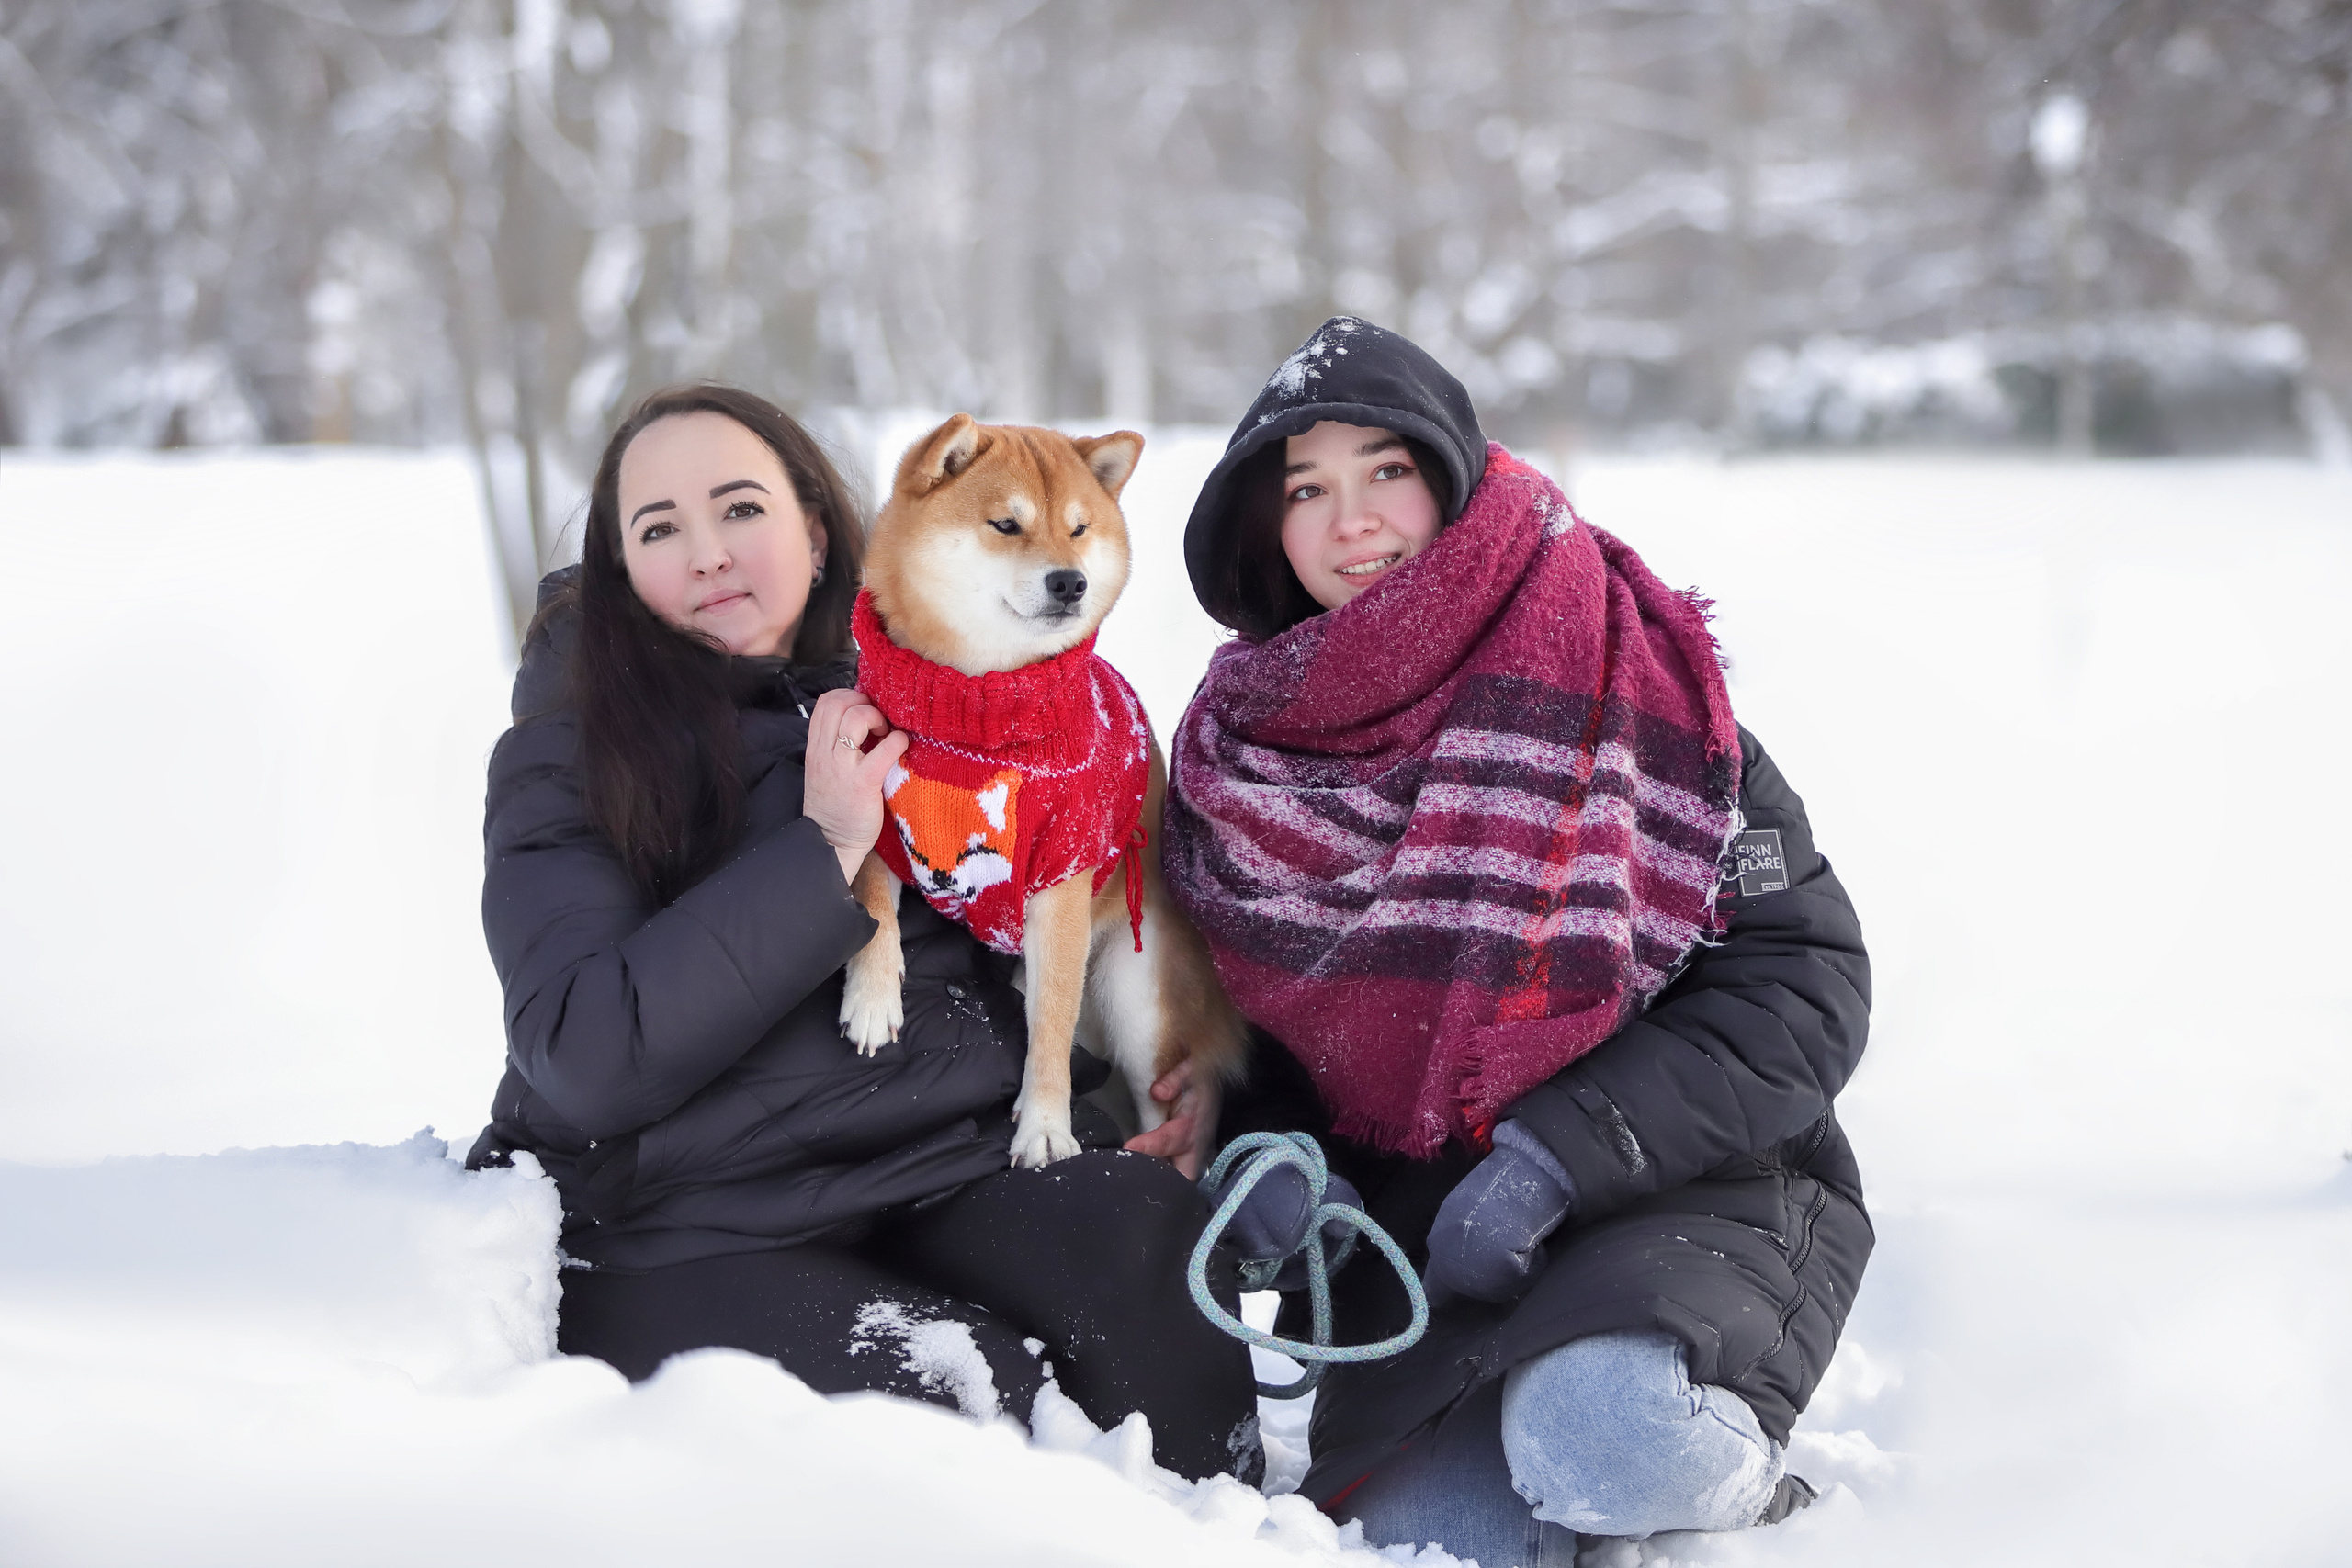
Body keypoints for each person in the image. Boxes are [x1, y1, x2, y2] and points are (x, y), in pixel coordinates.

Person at [1160, 319, 1871, 1560]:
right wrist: (1269, 1153)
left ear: (1451, 473)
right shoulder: (1240, 762)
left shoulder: (1631, 684)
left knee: (1607, 1444)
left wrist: (1560, 1154)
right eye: (1306, 489)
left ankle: (1760, 1516)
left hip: (1684, 1185)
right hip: (1428, 1255)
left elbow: (1804, 981)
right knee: (1435, 1543)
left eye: (1387, 470)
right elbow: (1219, 1036)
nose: (1351, 522)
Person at [463, 384, 1261, 1483]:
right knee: (976, 1410)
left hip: (935, 1169)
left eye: (740, 509)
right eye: (659, 530)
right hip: (693, 1221)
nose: (706, 554)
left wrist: (1154, 1081)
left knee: (1140, 1255)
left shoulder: (941, 691)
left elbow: (1039, 928)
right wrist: (825, 845)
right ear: (619, 571)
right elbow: (587, 1053)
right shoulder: (571, 750)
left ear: (816, 524)